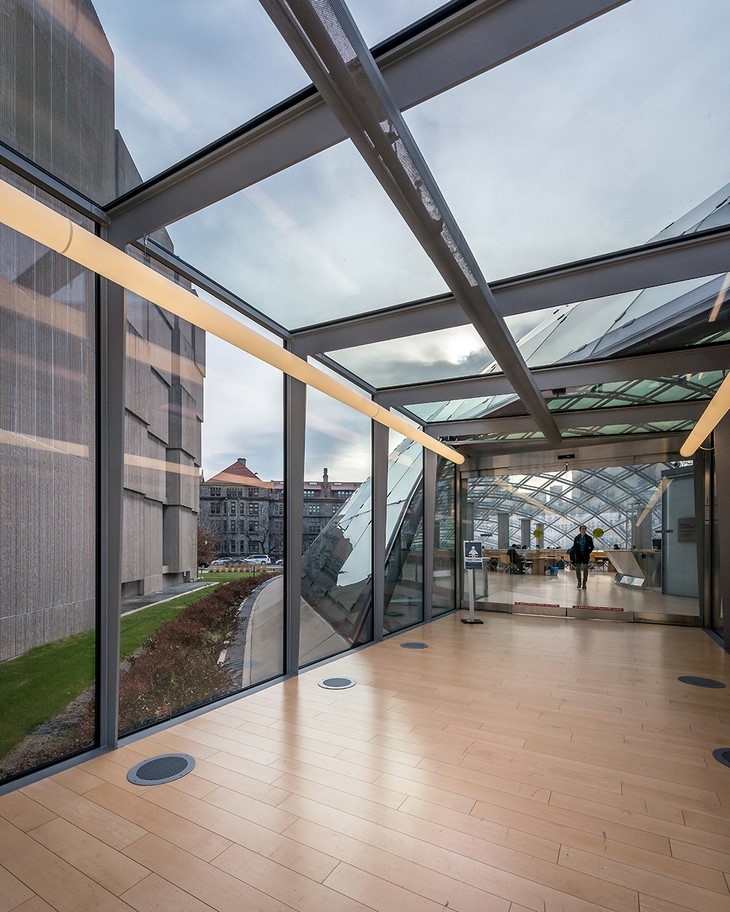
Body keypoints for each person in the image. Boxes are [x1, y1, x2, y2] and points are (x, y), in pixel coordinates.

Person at [570, 524, 594, 589]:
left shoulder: (589, 538)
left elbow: (592, 547)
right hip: (578, 555)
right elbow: (574, 547)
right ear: (580, 530)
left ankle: (584, 583)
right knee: (577, 569)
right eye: (582, 528)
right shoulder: (576, 538)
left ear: (586, 530)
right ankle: (579, 582)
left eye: (584, 529)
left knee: (585, 569)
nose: (583, 530)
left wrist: (588, 552)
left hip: (585, 555)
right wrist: (574, 553)